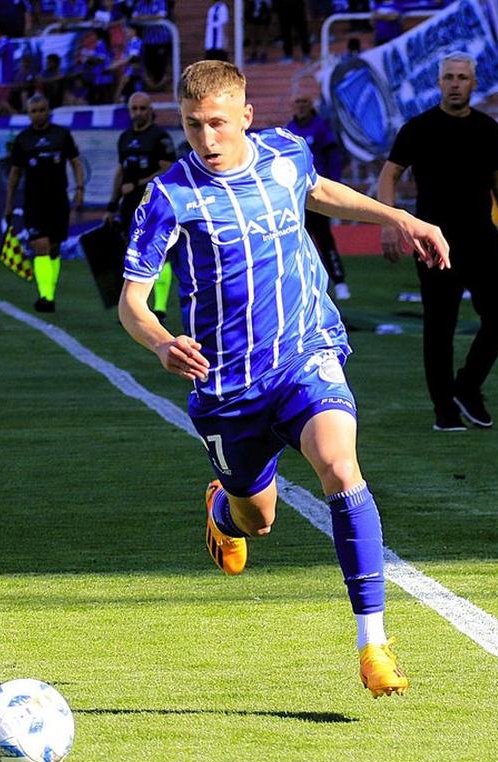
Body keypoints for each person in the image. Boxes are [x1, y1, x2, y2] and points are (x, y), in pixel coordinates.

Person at [118, 61, 449, 697]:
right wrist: (162, 343)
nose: (206, 139)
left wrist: (397, 218)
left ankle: (373, 644)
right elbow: (132, 301)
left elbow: (318, 189)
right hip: (226, 387)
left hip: (304, 354)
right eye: (193, 126)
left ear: (245, 116)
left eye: (217, 123)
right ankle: (225, 508)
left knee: (340, 469)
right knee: (258, 519)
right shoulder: (168, 197)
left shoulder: (285, 153)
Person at [378, 52, 498, 432]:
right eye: (449, 77)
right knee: (440, 325)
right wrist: (389, 223)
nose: (456, 83)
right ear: (439, 82)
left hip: (481, 236)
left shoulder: (487, 129)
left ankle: (466, 386)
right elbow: (389, 174)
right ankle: (444, 409)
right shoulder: (419, 128)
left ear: (474, 83)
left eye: (462, 77)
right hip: (434, 241)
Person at [3, 94, 84, 313]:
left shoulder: (61, 135)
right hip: (34, 202)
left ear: (48, 110)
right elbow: (15, 173)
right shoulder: (23, 139)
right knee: (40, 246)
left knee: (54, 248)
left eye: (41, 110)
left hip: (58, 200)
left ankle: (50, 290)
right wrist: (9, 203)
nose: (38, 114)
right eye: (33, 111)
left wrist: (79, 189)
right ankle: (45, 296)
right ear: (28, 114)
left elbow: (76, 162)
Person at [104, 91, 175, 320]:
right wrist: (112, 204)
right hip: (129, 205)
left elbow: (167, 168)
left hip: (155, 203)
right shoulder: (125, 137)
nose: (138, 113)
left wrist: (137, 184)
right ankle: (134, 309)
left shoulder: (160, 137)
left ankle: (161, 306)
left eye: (142, 108)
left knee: (159, 254)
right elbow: (120, 171)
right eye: (134, 109)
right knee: (132, 255)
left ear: (150, 110)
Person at [286, 92, 349, 299]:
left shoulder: (321, 127)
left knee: (325, 239)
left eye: (304, 100)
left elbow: (333, 157)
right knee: (298, 242)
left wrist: (333, 183)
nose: (301, 105)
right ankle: (302, 285)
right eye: (298, 101)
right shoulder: (289, 130)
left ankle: (339, 281)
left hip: (318, 194)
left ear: (311, 104)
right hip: (297, 197)